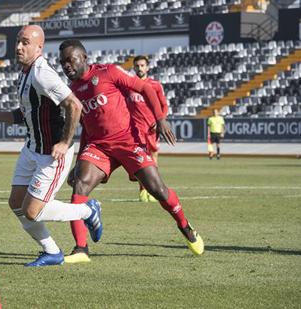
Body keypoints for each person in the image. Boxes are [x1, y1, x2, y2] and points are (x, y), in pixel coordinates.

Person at [58, 39, 204, 264]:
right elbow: (85, 127)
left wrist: (160, 119)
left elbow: (145, 87)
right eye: (62, 62)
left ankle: (186, 227)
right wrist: (79, 160)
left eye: (70, 60)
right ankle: (81, 249)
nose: (66, 65)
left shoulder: (109, 72)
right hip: (99, 146)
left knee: (158, 190)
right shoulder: (72, 92)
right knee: (80, 184)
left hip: (128, 141)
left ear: (84, 58)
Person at [0, 25, 102, 267]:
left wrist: (65, 143)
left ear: (39, 47)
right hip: (31, 149)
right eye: (18, 41)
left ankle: (88, 211)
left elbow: (74, 105)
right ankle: (52, 251)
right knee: (16, 203)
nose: (19, 47)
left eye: (25, 42)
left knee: (32, 210)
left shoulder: (42, 73)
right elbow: (25, 114)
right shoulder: (25, 72)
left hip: (51, 154)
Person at [127, 55, 169, 202]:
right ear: (134, 67)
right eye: (137, 66)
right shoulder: (129, 85)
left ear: (147, 67)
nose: (140, 68)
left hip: (152, 128)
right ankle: (143, 190)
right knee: (141, 160)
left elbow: (164, 105)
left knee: (153, 159)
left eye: (142, 65)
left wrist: (160, 121)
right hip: (135, 129)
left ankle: (152, 190)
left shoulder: (155, 85)